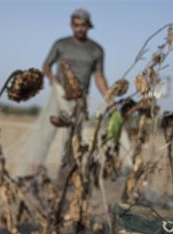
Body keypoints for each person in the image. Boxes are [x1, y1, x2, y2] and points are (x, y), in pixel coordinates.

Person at [15, 9, 115, 177]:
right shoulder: (61, 44)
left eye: (83, 25)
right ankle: (32, 170)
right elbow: (46, 66)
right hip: (59, 96)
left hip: (80, 100)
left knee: (74, 136)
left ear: (88, 26)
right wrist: (54, 81)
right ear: (71, 26)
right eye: (76, 25)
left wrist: (109, 97)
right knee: (46, 131)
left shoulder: (96, 50)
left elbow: (99, 76)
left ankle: (66, 174)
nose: (79, 29)